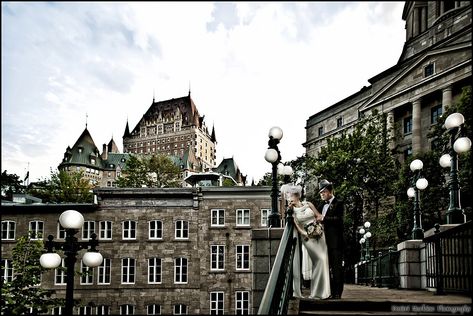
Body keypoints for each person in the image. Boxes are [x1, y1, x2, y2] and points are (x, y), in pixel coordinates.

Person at [283, 184, 331, 300]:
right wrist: (305, 234)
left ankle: (323, 292)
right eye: (289, 196)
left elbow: (318, 216)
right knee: (318, 260)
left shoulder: (308, 204)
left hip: (319, 234)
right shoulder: (292, 210)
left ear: (298, 196)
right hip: (307, 237)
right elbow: (296, 225)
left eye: (292, 196)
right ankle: (317, 293)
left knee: (324, 260)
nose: (290, 198)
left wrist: (319, 226)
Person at [317, 179, 345, 299]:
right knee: (326, 268)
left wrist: (324, 219)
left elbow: (339, 220)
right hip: (323, 242)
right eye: (321, 193)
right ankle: (328, 292)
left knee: (336, 268)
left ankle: (337, 293)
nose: (322, 194)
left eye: (324, 192)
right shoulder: (321, 205)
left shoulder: (339, 203)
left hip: (336, 242)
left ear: (330, 191)